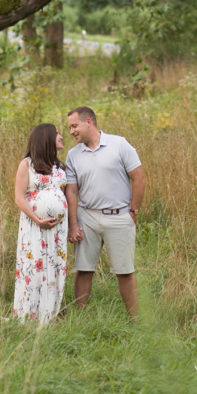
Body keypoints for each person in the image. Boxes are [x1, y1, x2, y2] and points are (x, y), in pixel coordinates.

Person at [65, 106, 145, 318]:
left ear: (89, 121)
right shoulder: (73, 155)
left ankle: (135, 319)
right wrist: (73, 224)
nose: (71, 131)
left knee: (124, 271)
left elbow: (139, 177)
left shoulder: (119, 144)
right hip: (87, 217)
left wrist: (133, 210)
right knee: (83, 269)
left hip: (119, 216)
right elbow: (71, 191)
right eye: (69, 127)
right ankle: (80, 317)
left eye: (74, 126)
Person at [12, 123, 68, 324]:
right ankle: (30, 313)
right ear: (46, 139)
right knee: (34, 266)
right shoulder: (26, 165)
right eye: (57, 134)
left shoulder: (61, 167)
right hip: (34, 226)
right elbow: (19, 197)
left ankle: (50, 312)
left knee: (54, 265)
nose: (61, 136)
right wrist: (37, 219)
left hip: (58, 230)